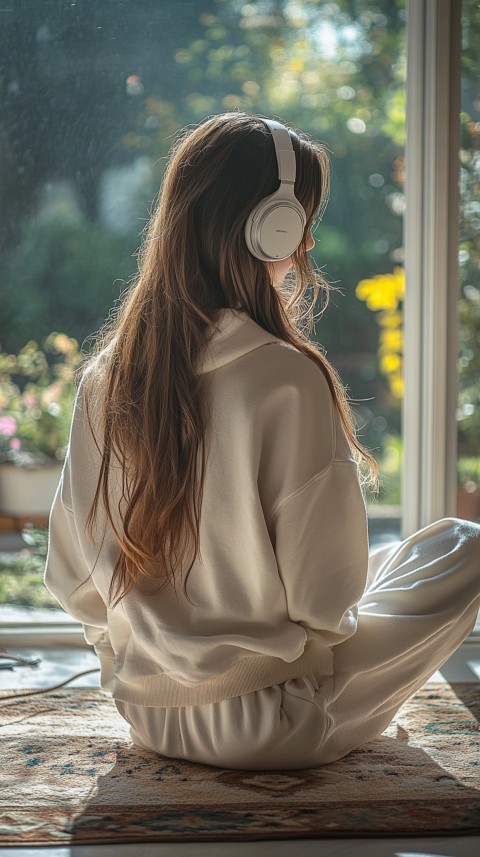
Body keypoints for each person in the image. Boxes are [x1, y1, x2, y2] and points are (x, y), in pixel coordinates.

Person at [44, 113, 480, 771]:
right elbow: (324, 605)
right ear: (269, 225)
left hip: (143, 711)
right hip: (274, 722)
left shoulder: (106, 374)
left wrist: (151, 647)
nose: (305, 238)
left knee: (395, 557)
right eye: (302, 218)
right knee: (462, 547)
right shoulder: (286, 377)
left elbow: (72, 578)